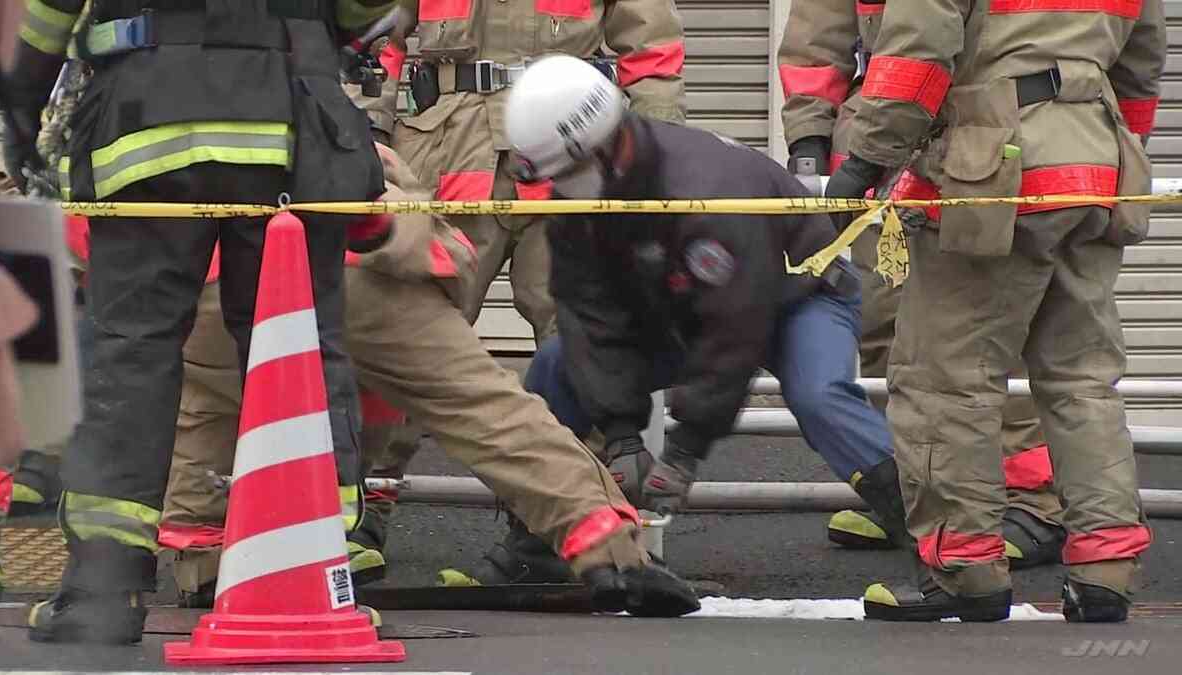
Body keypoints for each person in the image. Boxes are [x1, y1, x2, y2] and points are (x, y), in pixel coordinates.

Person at [150, 143, 701, 616]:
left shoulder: (153, 90)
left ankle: (210, 565)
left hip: (223, 276)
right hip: (368, 259)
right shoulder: (314, 79)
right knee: (481, 407)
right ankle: (609, 548)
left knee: (212, 409)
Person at [5, 0, 395, 644]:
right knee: (298, 354)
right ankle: (323, 571)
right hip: (292, 125)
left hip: (147, 125)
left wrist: (23, 105)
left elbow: (46, 16)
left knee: (129, 350)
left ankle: (102, 589)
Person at [451, 54, 913, 586]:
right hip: (682, 304)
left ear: (605, 145)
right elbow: (586, 313)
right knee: (557, 367)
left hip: (799, 295)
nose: (561, 188)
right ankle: (536, 544)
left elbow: (734, 328)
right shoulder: (582, 194)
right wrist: (623, 434)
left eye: (568, 174)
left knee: (820, 397)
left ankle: (930, 539)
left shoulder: (703, 191)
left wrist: (684, 451)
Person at [825, 0, 1163, 623]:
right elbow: (1141, 67)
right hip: (1096, 165)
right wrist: (1108, 145)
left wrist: (867, 159)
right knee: (1081, 382)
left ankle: (966, 569)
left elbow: (919, 45)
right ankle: (1105, 568)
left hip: (992, 169)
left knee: (946, 381)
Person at [776, 0, 1066, 568]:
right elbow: (817, 39)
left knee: (979, 334)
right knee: (886, 327)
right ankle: (925, 498)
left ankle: (1031, 501)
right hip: (880, 140)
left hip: (975, 130)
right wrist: (810, 143)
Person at [366, 0, 687, 347]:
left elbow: (652, 47)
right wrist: (366, 136)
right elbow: (375, 35)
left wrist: (653, 149)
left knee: (581, 329)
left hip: (568, 154)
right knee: (421, 328)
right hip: (450, 156)